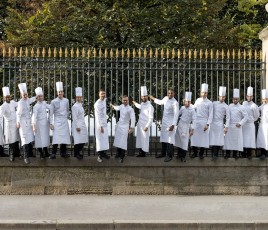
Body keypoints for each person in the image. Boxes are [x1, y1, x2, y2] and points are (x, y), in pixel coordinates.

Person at [150, 88, 179, 162]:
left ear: (174, 94)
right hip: (165, 122)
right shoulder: (166, 98)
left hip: (171, 123)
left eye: (171, 93)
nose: (170, 94)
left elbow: (176, 115)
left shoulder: (175, 103)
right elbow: (160, 102)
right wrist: (152, 98)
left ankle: (169, 156)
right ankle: (163, 153)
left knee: (170, 140)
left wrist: (173, 125)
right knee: (164, 138)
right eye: (168, 93)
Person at [223, 88, 248, 159]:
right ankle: (227, 154)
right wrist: (226, 126)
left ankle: (235, 154)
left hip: (237, 126)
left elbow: (246, 117)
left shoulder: (241, 107)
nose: (235, 100)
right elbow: (227, 117)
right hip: (230, 126)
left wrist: (240, 123)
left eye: (236, 99)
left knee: (236, 141)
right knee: (228, 141)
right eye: (234, 99)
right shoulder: (229, 106)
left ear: (239, 99)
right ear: (232, 99)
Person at [190, 83, 213, 159]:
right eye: (203, 92)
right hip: (196, 121)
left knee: (204, 138)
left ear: (207, 93)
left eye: (205, 92)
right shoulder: (198, 100)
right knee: (194, 137)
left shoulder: (209, 103)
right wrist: (188, 104)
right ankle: (195, 153)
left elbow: (211, 115)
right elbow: (194, 107)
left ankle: (201, 154)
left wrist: (208, 124)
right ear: (201, 93)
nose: (204, 94)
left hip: (204, 121)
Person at [111, 95, 135, 163]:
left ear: (128, 101)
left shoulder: (130, 109)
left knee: (123, 141)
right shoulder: (121, 106)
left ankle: (122, 156)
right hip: (119, 125)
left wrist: (131, 127)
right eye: (124, 100)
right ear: (122, 100)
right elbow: (117, 108)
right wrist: (113, 106)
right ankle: (118, 154)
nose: (125, 101)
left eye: (126, 100)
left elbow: (133, 118)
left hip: (125, 126)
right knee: (118, 140)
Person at [49, 82, 71, 159]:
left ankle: (63, 153)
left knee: (64, 138)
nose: (60, 93)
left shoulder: (66, 100)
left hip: (64, 121)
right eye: (59, 92)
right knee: (56, 138)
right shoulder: (53, 101)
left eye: (61, 92)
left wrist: (66, 117)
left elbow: (68, 110)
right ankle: (53, 153)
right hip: (57, 121)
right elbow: (51, 113)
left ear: (63, 93)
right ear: (57, 93)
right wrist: (51, 123)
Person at [16, 83, 36, 164]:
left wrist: (36, 97)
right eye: (23, 94)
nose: (25, 95)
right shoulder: (20, 103)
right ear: (21, 94)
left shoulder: (28, 100)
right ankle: (26, 156)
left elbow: (32, 99)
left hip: (29, 122)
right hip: (23, 123)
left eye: (26, 94)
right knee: (24, 140)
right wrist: (17, 122)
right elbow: (18, 114)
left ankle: (30, 153)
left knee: (30, 138)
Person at [133, 86, 154, 157]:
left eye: (145, 96)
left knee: (144, 139)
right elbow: (140, 106)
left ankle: (144, 153)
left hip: (145, 125)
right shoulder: (142, 104)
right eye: (142, 96)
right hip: (140, 124)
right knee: (139, 139)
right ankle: (140, 152)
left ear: (147, 96)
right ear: (141, 97)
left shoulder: (150, 106)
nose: (144, 98)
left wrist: (147, 126)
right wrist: (135, 103)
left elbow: (151, 118)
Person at [209, 86, 230, 160]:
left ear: (225, 97)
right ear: (218, 97)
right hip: (213, 123)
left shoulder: (226, 106)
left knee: (218, 139)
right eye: (221, 97)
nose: (222, 98)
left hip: (220, 124)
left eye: (223, 97)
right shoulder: (214, 103)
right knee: (213, 139)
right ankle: (213, 154)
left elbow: (228, 117)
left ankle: (216, 154)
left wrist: (226, 126)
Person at [174, 92, 196, 162]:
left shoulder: (192, 110)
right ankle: (179, 154)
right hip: (180, 125)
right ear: (184, 101)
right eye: (186, 101)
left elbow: (194, 120)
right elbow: (177, 114)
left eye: (189, 102)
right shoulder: (182, 108)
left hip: (186, 127)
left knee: (185, 142)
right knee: (179, 141)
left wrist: (192, 129)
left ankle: (183, 156)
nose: (187, 103)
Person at [0, 87, 21, 161]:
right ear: (4, 98)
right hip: (9, 125)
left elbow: (20, 104)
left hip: (15, 124)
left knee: (16, 140)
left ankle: (17, 153)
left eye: (9, 96)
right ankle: (12, 154)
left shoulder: (13, 103)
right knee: (11, 140)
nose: (8, 98)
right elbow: (0, 116)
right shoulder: (2, 107)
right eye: (6, 97)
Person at [32, 87, 50, 159]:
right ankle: (41, 153)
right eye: (39, 96)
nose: (40, 97)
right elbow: (34, 116)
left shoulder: (44, 103)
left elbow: (50, 107)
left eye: (41, 96)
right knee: (39, 139)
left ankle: (46, 152)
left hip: (45, 124)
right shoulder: (35, 106)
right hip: (39, 124)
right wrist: (33, 125)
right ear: (37, 97)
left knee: (45, 138)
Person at [242, 87, 259, 159]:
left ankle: (249, 154)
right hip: (244, 124)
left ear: (252, 97)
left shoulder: (254, 106)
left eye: (250, 96)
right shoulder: (244, 103)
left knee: (249, 140)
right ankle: (243, 154)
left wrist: (250, 121)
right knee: (243, 139)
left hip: (250, 124)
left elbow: (257, 116)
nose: (249, 97)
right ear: (246, 96)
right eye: (248, 96)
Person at [72, 87, 88, 160]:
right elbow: (75, 117)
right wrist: (77, 126)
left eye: (80, 97)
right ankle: (76, 153)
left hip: (82, 124)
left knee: (83, 139)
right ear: (76, 98)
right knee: (78, 140)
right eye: (77, 97)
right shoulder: (75, 106)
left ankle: (78, 152)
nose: (79, 98)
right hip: (77, 124)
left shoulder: (80, 105)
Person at [94, 89, 109, 162]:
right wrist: (100, 126)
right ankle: (99, 155)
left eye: (104, 93)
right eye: (102, 94)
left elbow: (107, 98)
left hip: (105, 123)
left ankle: (103, 153)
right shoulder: (97, 104)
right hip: (100, 124)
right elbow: (98, 116)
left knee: (104, 139)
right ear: (99, 94)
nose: (103, 95)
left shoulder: (104, 100)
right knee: (100, 140)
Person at [257, 89, 268, 160]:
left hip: (267, 125)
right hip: (261, 124)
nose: (264, 100)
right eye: (263, 99)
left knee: (266, 139)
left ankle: (265, 153)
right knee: (261, 139)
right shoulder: (261, 106)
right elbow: (256, 111)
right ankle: (261, 153)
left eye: (265, 99)